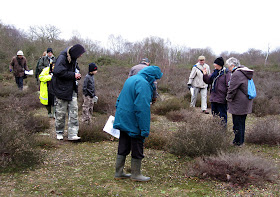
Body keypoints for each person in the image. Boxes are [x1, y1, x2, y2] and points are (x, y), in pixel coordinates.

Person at [113, 66, 163, 182]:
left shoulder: (131, 79)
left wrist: (120, 115)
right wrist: (144, 129)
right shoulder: (143, 84)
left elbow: (119, 99)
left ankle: (118, 172)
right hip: (133, 120)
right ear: (151, 76)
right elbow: (142, 108)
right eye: (155, 78)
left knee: (123, 143)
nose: (155, 81)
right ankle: (136, 174)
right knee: (137, 144)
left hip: (123, 117)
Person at [50, 44, 85, 140]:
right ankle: (59, 132)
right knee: (60, 113)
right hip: (61, 89)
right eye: (80, 54)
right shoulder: (62, 58)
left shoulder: (73, 59)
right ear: (75, 52)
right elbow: (58, 71)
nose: (81, 56)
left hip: (71, 89)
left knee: (74, 112)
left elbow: (75, 70)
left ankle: (73, 134)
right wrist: (73, 75)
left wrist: (77, 75)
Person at [225, 57, 254, 146]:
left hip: (238, 103)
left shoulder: (237, 74)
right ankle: (241, 141)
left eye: (229, 66)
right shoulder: (244, 72)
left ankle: (237, 142)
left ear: (233, 65)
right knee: (242, 122)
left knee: (237, 123)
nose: (228, 69)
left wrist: (228, 98)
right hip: (246, 101)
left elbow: (232, 89)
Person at [203, 57, 231, 124]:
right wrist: (205, 75)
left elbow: (229, 86)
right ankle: (216, 131)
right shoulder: (214, 73)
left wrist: (228, 97)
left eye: (215, 63)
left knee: (222, 116)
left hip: (222, 99)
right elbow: (208, 81)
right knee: (215, 116)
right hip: (214, 98)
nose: (214, 65)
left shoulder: (226, 73)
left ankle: (222, 131)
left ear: (219, 64)